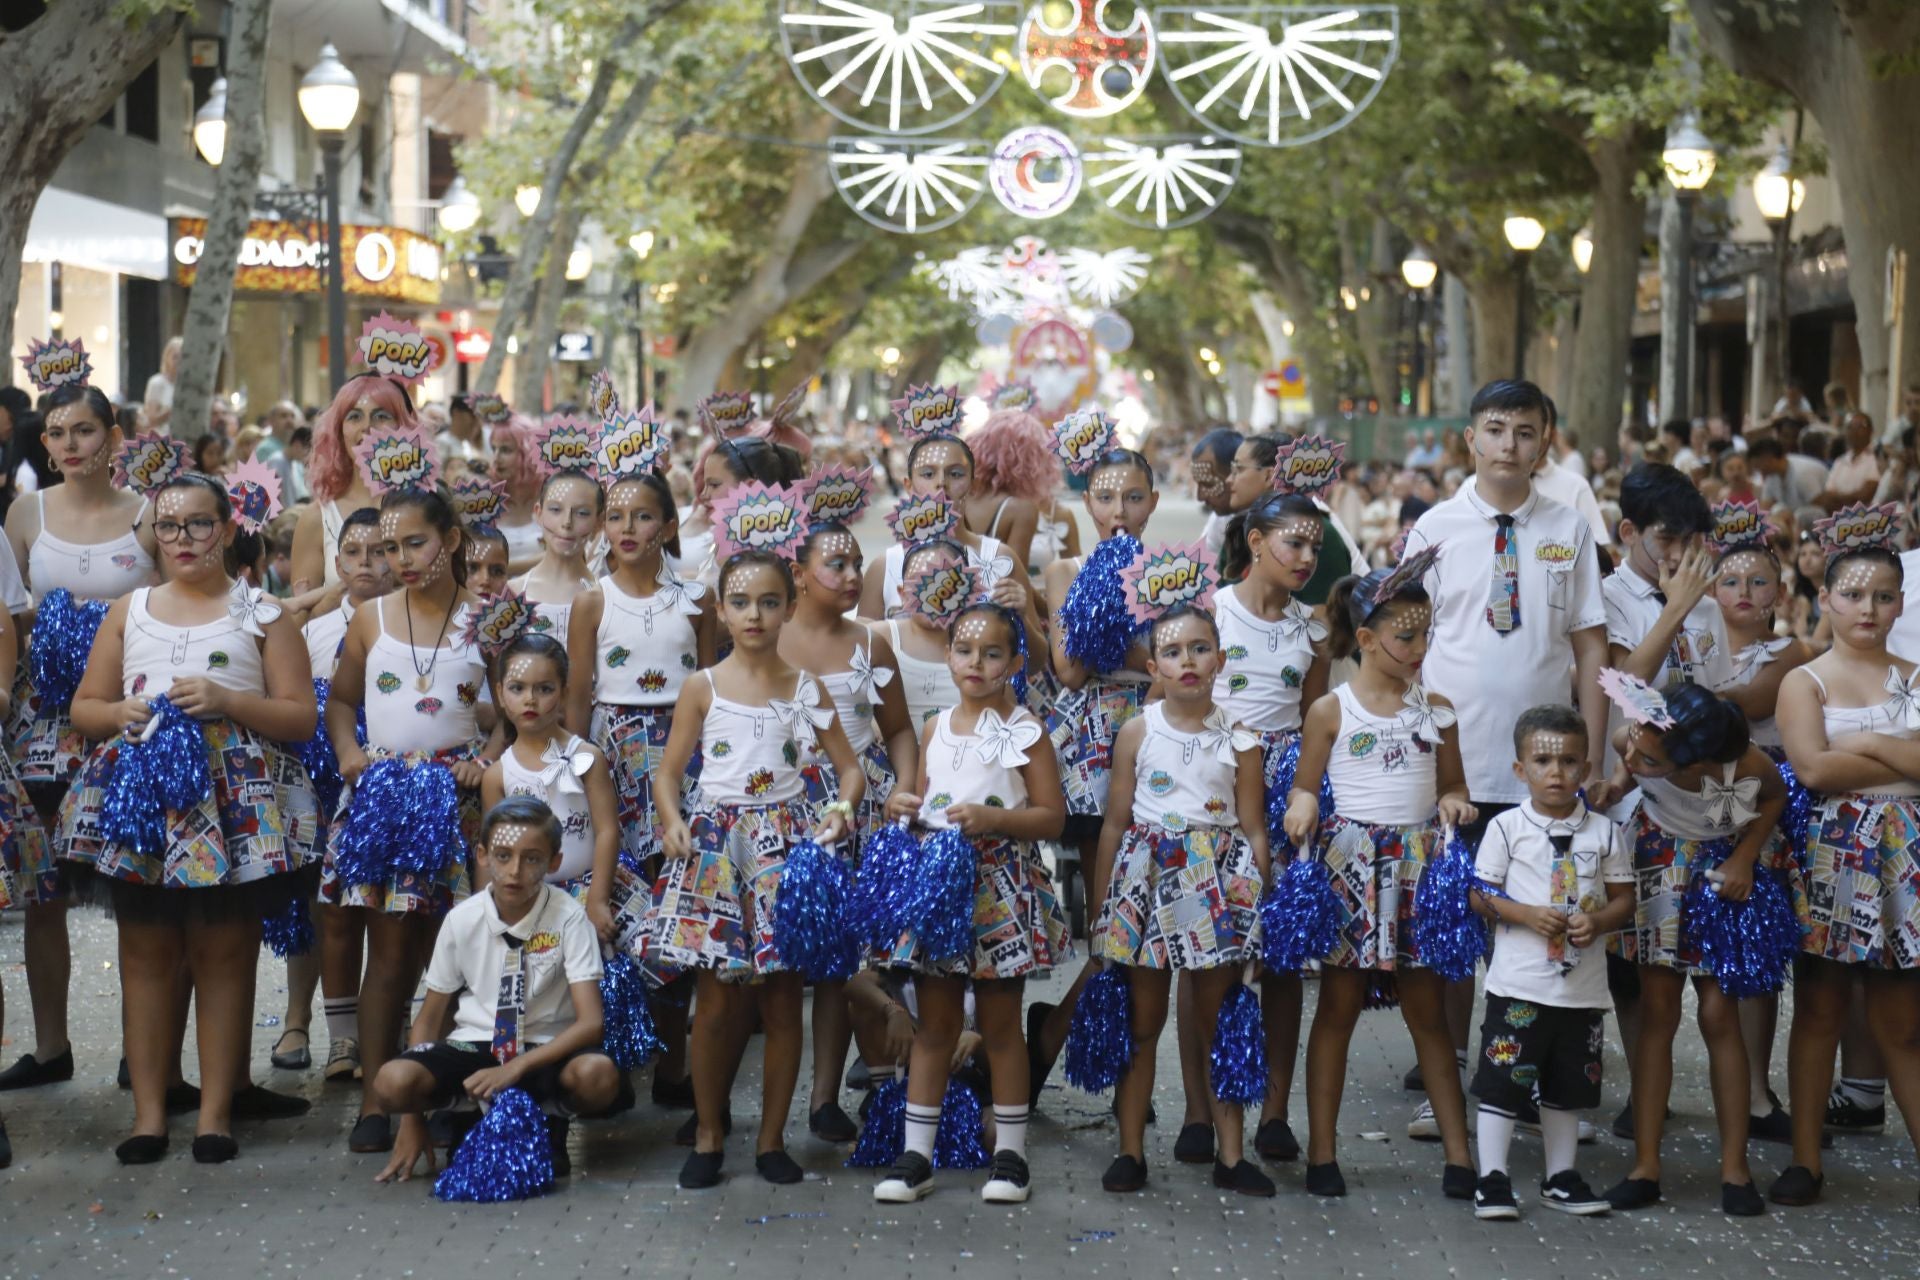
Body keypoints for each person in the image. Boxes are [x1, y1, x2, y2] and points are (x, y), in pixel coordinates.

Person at [62, 473, 320, 1164]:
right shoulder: (132, 608)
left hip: (232, 801)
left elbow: (300, 715)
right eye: (169, 526)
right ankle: (149, 1116)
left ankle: (215, 1114)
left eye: (199, 525)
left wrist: (227, 700)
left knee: (224, 952)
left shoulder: (262, 612)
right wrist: (120, 714)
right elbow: (85, 706)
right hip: (145, 799)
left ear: (228, 529)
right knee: (145, 954)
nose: (183, 539)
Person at [1401, 380, 1610, 1144]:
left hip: (1544, 770)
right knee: (1459, 936)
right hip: (1454, 765)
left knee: (1542, 930)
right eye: (1497, 430)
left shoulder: (1569, 528)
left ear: (1545, 441)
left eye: (1527, 432)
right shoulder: (1434, 526)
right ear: (1470, 440)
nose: (1511, 446)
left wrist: (1591, 749)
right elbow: (1408, 641)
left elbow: (1590, 645)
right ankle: (1453, 1088)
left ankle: (1542, 1096)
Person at [641, 547, 862, 1190]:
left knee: (784, 998)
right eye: (740, 602)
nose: (755, 614)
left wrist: (841, 810)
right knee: (713, 1000)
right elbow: (668, 771)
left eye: (769, 602)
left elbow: (847, 765)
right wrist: (672, 818)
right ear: (721, 610)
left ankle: (771, 1140)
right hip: (716, 846)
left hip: (785, 851)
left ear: (790, 607)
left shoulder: (805, 687)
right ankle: (710, 1133)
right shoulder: (701, 687)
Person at [1285, 559, 1478, 1200]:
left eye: (1426, 635)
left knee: (1429, 1014)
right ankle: (1321, 1153)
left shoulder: (1439, 708)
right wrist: (1303, 805)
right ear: (1366, 640)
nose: (1420, 649)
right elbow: (1306, 786)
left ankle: (1459, 1156)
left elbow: (1453, 783)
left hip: (1417, 869)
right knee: (1338, 1008)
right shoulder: (1329, 710)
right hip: (1350, 867)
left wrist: (1454, 801)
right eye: (1406, 637)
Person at [872, 597, 1066, 1206]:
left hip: (1000, 884)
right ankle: (916, 1156)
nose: (975, 663)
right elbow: (926, 798)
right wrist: (902, 806)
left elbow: (1052, 817)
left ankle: (1011, 1156)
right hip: (940, 884)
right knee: (936, 1025)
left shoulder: (1025, 732)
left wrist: (994, 818)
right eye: (964, 650)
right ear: (949, 657)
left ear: (1014, 662)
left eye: (991, 653)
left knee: (1002, 1025)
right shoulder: (934, 727)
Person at [322, 482, 494, 1155]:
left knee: (469, 949)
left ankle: (458, 1091)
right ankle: (376, 1098)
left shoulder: (490, 617)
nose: (401, 559)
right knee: (388, 952)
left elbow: (519, 700)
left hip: (464, 803)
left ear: (450, 540)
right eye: (391, 547)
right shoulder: (371, 619)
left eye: (414, 542)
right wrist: (349, 755)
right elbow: (339, 701)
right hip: (387, 797)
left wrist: (494, 758)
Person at [0, 380, 156, 1096]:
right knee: (44, 891)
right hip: (43, 719)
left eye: (84, 431)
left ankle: (143, 1050)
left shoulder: (148, 516)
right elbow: (12, 620)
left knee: (133, 885)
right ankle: (52, 1044)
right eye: (57, 434)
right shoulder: (24, 514)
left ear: (112, 435)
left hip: (129, 714)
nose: (69, 446)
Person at [1090, 588, 1273, 1197]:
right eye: (1173, 652)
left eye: (1201, 648)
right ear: (1154, 669)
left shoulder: (1242, 740)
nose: (1188, 660)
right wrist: (1102, 910)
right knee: (1143, 1019)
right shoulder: (1137, 733)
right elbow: (1115, 824)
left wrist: (1257, 907)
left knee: (1219, 1019)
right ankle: (1131, 1151)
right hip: (1144, 881)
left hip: (1215, 885)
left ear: (1221, 659)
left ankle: (1230, 1154)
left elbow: (1252, 828)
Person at [1588, 679, 1786, 1216]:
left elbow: (1774, 797)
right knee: (1657, 1012)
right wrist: (1621, 780)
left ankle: (1735, 1169)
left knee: (1721, 1017)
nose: (1632, 751)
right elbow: (1629, 758)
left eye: (1647, 759)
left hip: (1717, 875)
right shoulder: (1639, 735)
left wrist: (1745, 856)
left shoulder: (1742, 765)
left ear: (1691, 758)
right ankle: (1645, 1165)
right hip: (1656, 866)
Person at [1771, 504, 1920, 1206]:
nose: (1870, 607)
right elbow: (1812, 771)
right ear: (1825, 598)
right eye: (1854, 594)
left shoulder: (1914, 676)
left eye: (1884, 595)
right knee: (1820, 1008)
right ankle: (1806, 1159)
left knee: (1901, 1018)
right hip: (1834, 852)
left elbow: (1838, 759)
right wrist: (1901, 759)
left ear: (1900, 602)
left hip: (1907, 857)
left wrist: (1858, 744)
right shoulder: (1807, 680)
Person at [372, 795, 620, 1184]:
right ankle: (465, 1114)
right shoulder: (462, 919)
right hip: (475, 1047)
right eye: (503, 856)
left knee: (598, 1074)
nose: (515, 871)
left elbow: (591, 1023)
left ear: (554, 862)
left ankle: (549, 1119)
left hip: (541, 1050)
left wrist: (516, 1067)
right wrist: (410, 1120)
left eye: (532, 858)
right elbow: (429, 1020)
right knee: (391, 1081)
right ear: (483, 855)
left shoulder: (570, 918)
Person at [564, 465, 711, 1111]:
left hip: (684, 757)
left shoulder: (697, 597)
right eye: (616, 516)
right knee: (623, 907)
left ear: (669, 526)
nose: (628, 528)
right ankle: (620, 1054)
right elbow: (576, 692)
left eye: (643, 516)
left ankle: (678, 1063)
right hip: (615, 758)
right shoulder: (592, 599)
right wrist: (571, 770)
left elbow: (711, 680)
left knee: (678, 902)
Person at [780, 515, 919, 1140]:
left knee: (845, 961)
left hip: (859, 806)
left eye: (856, 563)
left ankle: (825, 1098)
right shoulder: (766, 638)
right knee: (783, 965)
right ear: (798, 574)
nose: (850, 575)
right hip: (784, 808)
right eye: (835, 563)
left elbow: (898, 729)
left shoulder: (871, 642)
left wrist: (908, 791)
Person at [1467, 705, 1634, 1220]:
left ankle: (1560, 1177)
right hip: (1520, 983)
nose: (1555, 773)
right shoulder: (1506, 828)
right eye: (1542, 761)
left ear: (1586, 769)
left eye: (1568, 762)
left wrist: (1600, 922)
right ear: (1521, 770)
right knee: (1503, 1080)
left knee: (1569, 1085)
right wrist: (1524, 914)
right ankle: (1492, 1177)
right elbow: (1480, 894)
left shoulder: (1603, 832)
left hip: (1581, 989)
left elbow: (1625, 899)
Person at [295, 505, 388, 1083]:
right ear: (336, 561)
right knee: (333, 911)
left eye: (380, 552)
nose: (368, 564)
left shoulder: (411, 625)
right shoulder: (314, 630)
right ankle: (340, 1038)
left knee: (389, 909)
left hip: (391, 788)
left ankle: (392, 1020)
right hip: (329, 788)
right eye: (354, 553)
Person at [291, 375, 410, 593]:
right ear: (338, 431)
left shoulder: (424, 509)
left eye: (381, 416)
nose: (367, 427)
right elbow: (300, 621)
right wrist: (346, 594)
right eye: (355, 417)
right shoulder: (316, 518)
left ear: (402, 427)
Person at [510, 467, 603, 643]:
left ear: (598, 523)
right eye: (555, 509)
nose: (567, 522)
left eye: (582, 513)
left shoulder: (607, 596)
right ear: (538, 513)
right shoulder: (513, 592)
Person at [956, 406, 1042, 574]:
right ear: (1031, 459)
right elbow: (1014, 579)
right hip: (990, 598)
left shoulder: (957, 494)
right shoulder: (1021, 510)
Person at [487, 414, 547, 572]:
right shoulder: (486, 498)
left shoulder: (551, 495)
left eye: (505, 450)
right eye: (494, 448)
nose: (496, 458)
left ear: (527, 452)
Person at [1748, 435, 1828, 529]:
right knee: (1776, 510)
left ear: (1767, 458)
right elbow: (1765, 508)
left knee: (1799, 515)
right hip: (1794, 519)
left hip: (1819, 518)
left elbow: (1821, 506)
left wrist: (1792, 516)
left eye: (1757, 465)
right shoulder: (1771, 476)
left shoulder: (1802, 473)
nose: (1757, 470)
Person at [1190, 427, 1243, 567]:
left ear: (1234, 475)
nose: (1200, 497)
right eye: (1198, 485)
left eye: (1208, 485)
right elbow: (1199, 569)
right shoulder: (1220, 521)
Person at [1815, 412, 1881, 512]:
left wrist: (1839, 499)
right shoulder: (1840, 462)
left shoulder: (1876, 459)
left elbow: (1865, 495)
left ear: (1870, 431)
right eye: (1850, 427)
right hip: (1837, 515)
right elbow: (1828, 495)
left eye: (1859, 427)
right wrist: (1851, 498)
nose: (1854, 431)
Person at [142, 337, 182, 435]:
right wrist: (172, 410)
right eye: (175, 357)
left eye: (182, 357)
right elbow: (150, 420)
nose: (179, 361)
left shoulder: (188, 385)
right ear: (166, 357)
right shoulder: (156, 383)